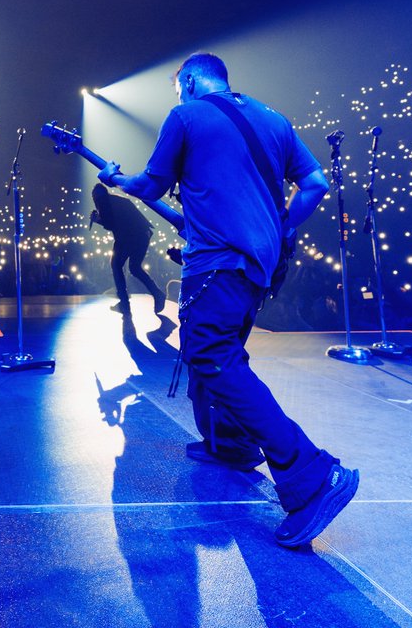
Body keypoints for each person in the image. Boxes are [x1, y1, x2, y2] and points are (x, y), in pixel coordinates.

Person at [98, 52, 357, 548]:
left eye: (179, 89)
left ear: (191, 81)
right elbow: (316, 184)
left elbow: (149, 185)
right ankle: (232, 445)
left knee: (211, 357)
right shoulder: (274, 118)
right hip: (258, 267)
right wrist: (279, 227)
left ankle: (311, 475)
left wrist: (116, 180)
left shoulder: (186, 115)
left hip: (218, 263)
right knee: (222, 355)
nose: (178, 97)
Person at [91, 182, 167, 315]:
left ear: (95, 197)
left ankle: (125, 303)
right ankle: (157, 294)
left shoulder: (103, 202)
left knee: (116, 265)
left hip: (130, 237)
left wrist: (98, 219)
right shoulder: (114, 199)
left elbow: (110, 223)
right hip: (141, 235)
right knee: (134, 267)